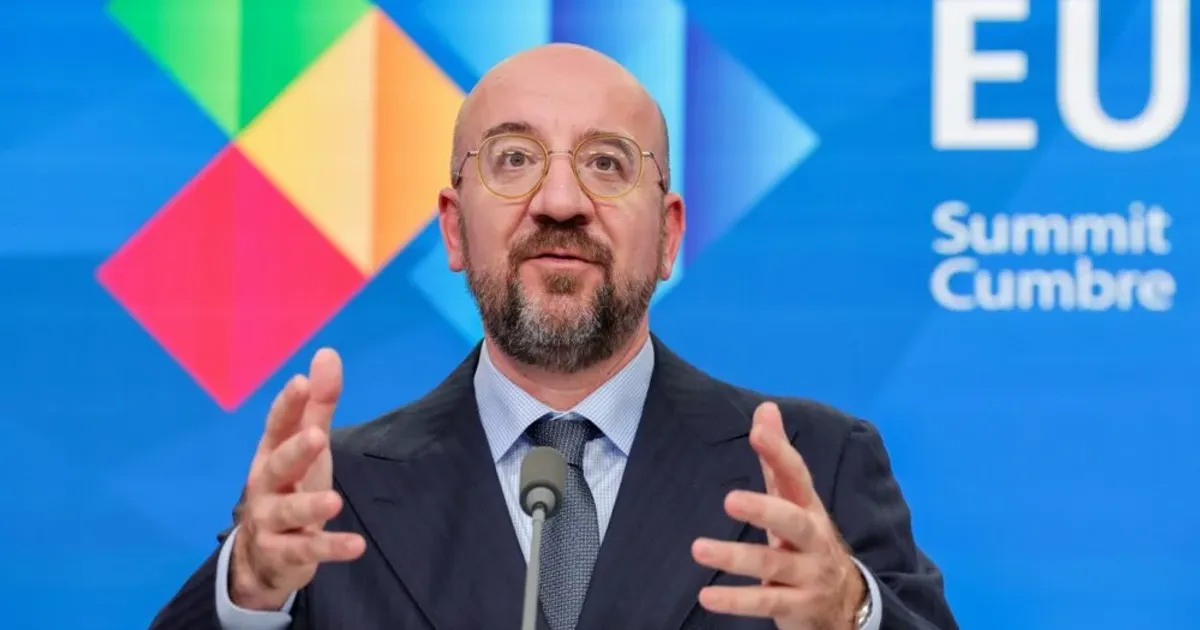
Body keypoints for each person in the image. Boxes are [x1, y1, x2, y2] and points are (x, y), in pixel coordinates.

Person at [149, 43, 958, 630]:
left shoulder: (815, 468)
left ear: (669, 234)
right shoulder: (331, 495)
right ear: (454, 228)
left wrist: (852, 612)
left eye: (607, 164)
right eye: (513, 160)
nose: (561, 201)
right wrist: (247, 592)